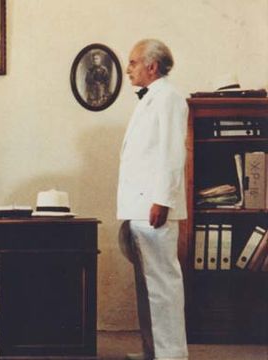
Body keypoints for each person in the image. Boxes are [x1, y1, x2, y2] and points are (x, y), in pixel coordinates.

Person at [117, 39, 189, 360]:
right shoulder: (150, 99)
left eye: (133, 62)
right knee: (150, 288)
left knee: (163, 288)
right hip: (139, 209)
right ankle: (154, 352)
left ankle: (171, 355)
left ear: (152, 66)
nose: (128, 68)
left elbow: (172, 154)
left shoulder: (169, 98)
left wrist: (161, 200)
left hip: (153, 209)